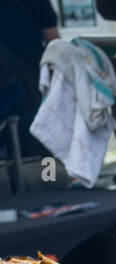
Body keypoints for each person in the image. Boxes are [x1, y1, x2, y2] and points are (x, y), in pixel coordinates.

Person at [0, 0, 59, 157]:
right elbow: (53, 40)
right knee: (46, 139)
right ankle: (49, 178)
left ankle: (31, 177)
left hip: (15, 84)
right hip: (34, 80)